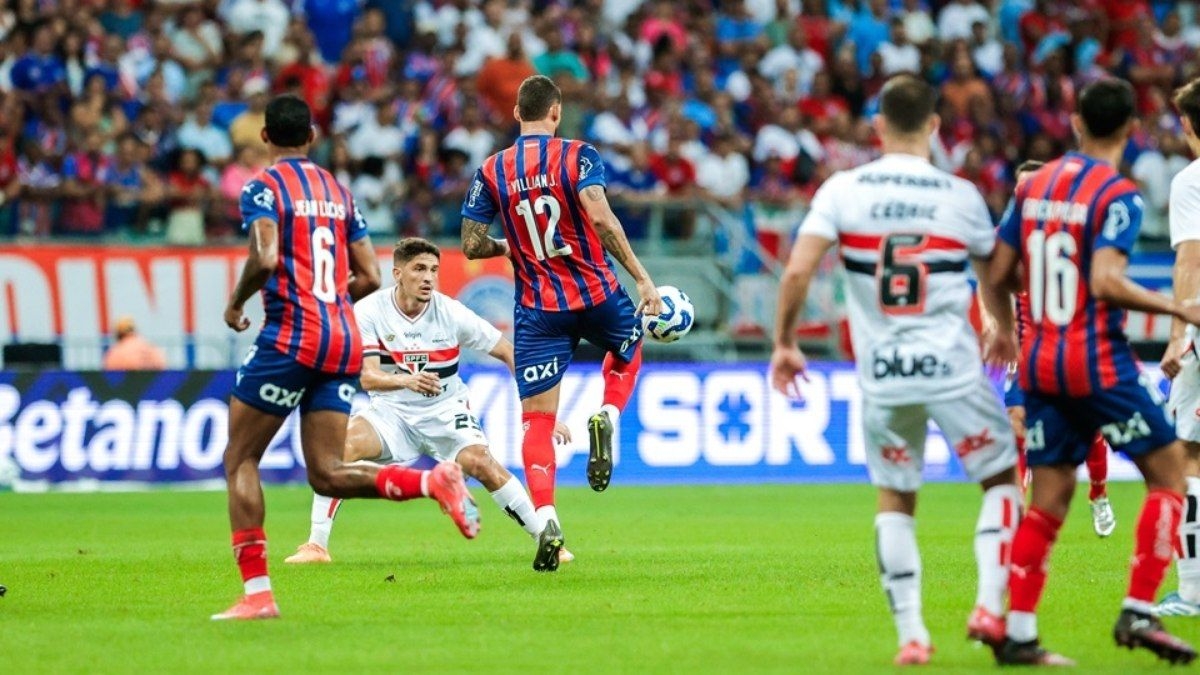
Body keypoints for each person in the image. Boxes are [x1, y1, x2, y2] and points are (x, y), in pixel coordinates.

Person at [769, 74, 1022, 666]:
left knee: (895, 501)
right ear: (935, 126)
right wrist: (1004, 329)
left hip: (882, 373)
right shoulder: (960, 195)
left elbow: (798, 272)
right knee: (1002, 481)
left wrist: (785, 342)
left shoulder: (842, 190)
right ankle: (988, 605)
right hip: (953, 368)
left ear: (877, 128)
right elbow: (994, 276)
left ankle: (912, 636)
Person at [213, 95, 478, 621]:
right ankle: (431, 480)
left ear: (265, 138)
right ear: (312, 136)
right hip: (342, 336)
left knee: (240, 459)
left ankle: (258, 595)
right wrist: (331, 298)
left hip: (293, 335)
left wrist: (237, 302)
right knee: (329, 473)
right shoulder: (338, 191)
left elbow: (265, 256)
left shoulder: (263, 187)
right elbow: (371, 277)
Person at [989, 78, 1199, 665]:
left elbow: (996, 267)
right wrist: (1175, 307)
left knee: (1049, 498)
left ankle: (1021, 633)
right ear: (1132, 129)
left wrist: (1005, 327)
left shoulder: (1034, 187)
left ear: (1076, 121)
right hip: (1096, 361)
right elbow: (1106, 281)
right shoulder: (1118, 194)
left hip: (1039, 364)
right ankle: (1138, 609)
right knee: (1169, 476)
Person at [459, 75, 664, 571]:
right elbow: (601, 219)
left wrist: (511, 246)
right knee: (630, 346)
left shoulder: (492, 169)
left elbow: (470, 244)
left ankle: (547, 517)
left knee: (537, 420)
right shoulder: (578, 155)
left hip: (537, 310)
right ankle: (608, 417)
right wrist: (642, 278)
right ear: (555, 113)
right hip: (594, 291)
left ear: (516, 114)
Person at [284, 238, 575, 570]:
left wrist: (539, 415)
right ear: (397, 273)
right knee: (339, 450)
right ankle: (316, 545)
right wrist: (405, 380)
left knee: (480, 462)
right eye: (419, 269)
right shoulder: (368, 311)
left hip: (446, 410)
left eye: (434, 270)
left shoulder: (450, 312)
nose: (428, 278)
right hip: (390, 412)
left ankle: (549, 539)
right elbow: (366, 377)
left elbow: (508, 351)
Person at [1001, 159, 1116, 537]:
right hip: (1026, 354)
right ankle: (1019, 507)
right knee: (1018, 423)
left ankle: (1098, 494)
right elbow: (993, 287)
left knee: (1091, 428)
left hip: (1070, 348)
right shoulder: (1006, 238)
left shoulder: (1068, 232)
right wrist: (992, 324)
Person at [1156, 77, 1200, 618]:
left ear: (1187, 125)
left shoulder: (1191, 183)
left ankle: (1192, 592)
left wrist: (1178, 334)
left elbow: (1190, 260)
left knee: (1188, 456)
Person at [102, 316, 167, 370]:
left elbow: (109, 369)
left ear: (118, 334)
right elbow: (162, 364)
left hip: (128, 384)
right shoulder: (151, 347)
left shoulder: (116, 352)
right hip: (154, 383)